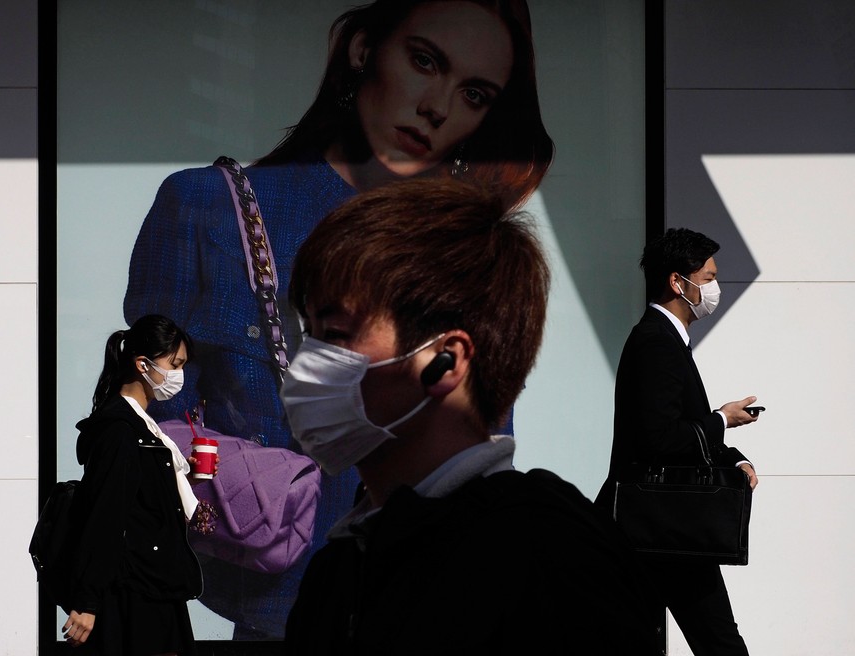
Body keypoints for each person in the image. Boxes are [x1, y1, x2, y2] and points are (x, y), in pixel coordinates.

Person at [123, 0, 554, 639]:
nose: (437, 105)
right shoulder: (208, 208)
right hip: (274, 603)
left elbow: (484, 444)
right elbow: (144, 430)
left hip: (427, 605)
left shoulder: (470, 249)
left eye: (473, 93)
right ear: (362, 51)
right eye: (425, 60)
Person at [281, 178, 658, 654]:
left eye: (334, 333)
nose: (306, 362)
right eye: (308, 334)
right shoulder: (339, 566)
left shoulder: (546, 552)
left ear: (446, 360)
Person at [595, 227, 759, 655]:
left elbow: (676, 427)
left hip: (657, 525)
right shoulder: (656, 342)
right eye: (707, 279)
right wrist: (722, 419)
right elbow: (661, 437)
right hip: (664, 524)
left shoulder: (664, 340)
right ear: (677, 282)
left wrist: (732, 457)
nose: (714, 289)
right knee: (720, 641)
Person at [62, 314, 210, 655]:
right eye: (174, 364)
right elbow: (106, 514)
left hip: (156, 583)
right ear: (142, 365)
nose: (179, 376)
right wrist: (88, 600)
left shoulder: (145, 429)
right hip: (136, 591)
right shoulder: (121, 430)